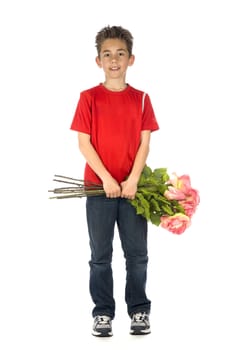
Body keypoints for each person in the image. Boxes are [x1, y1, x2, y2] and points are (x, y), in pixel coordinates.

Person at [70, 25, 159, 337]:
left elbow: (144, 144)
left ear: (131, 59)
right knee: (100, 256)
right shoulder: (88, 98)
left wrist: (132, 179)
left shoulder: (143, 99)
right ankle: (103, 313)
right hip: (97, 189)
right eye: (107, 54)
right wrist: (107, 179)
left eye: (120, 53)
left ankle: (139, 311)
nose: (114, 59)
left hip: (134, 191)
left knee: (137, 255)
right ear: (98, 61)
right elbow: (84, 144)